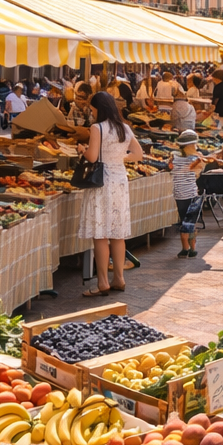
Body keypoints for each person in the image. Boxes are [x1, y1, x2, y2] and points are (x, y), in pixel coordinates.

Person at [80, 92, 144, 297]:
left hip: (101, 181)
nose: (91, 113)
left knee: (100, 234)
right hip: (120, 181)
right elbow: (138, 154)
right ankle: (119, 278)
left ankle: (103, 283)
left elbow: (92, 156)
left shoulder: (97, 128)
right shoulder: (124, 127)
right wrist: (119, 158)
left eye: (92, 109)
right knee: (117, 233)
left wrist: (82, 149)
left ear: (99, 108)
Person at [171, 130, 204, 258]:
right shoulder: (195, 158)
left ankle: (185, 248)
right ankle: (191, 248)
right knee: (191, 223)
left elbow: (171, 167)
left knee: (183, 221)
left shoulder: (174, 157)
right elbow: (196, 170)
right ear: (191, 145)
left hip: (179, 195)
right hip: (191, 194)